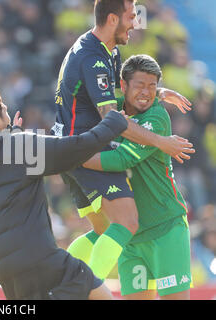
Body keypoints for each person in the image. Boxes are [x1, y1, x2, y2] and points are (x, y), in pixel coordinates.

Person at [52, 0, 194, 280]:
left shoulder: (105, 50)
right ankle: (84, 290)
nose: (135, 23)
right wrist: (160, 141)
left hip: (71, 149)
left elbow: (118, 91)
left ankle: (56, 283)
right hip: (85, 148)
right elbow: (113, 119)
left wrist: (157, 91)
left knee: (105, 231)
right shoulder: (93, 58)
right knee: (128, 223)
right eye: (131, 17)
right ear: (114, 19)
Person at [0, 89, 132, 300]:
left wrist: (12, 135)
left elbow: (7, 168)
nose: (7, 111)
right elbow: (74, 149)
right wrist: (113, 123)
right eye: (3, 110)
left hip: (7, 270)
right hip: (39, 257)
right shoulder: (19, 144)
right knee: (101, 295)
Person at [82, 54, 192, 299]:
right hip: (129, 234)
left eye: (152, 86)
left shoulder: (157, 117)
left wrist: (72, 157)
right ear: (123, 86)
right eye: (140, 85)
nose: (147, 92)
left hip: (166, 227)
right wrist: (161, 90)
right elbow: (89, 99)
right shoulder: (114, 110)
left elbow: (122, 159)